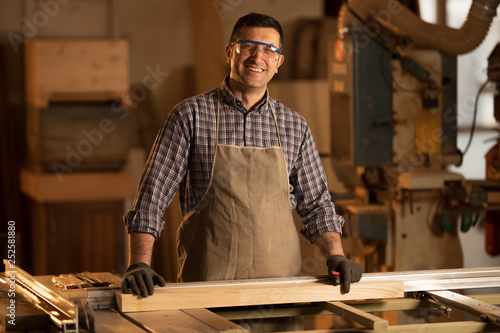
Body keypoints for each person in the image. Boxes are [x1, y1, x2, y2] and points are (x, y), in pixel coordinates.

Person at [122, 12, 362, 331]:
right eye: (248, 46)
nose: (257, 57)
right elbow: (151, 198)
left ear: (279, 62)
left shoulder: (295, 127)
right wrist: (139, 263)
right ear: (230, 52)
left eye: (268, 50)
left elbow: (317, 205)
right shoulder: (189, 117)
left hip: (279, 300)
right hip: (208, 297)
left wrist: (336, 255)